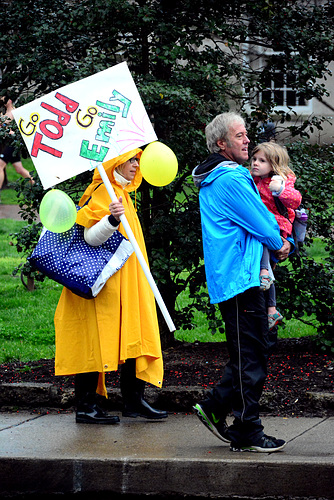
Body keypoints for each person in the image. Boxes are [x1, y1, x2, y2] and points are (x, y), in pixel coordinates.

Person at [192, 111, 292, 453]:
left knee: (252, 352)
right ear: (222, 144)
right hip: (240, 281)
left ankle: (217, 407)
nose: (247, 140)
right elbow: (262, 222)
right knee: (251, 357)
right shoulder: (231, 179)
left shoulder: (222, 176)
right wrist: (282, 242)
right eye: (239, 136)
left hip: (243, 278)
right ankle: (247, 429)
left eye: (246, 134)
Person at [54, 148, 168, 424]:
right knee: (96, 337)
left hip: (127, 282)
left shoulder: (123, 193)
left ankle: (133, 401)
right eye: (130, 159)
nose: (135, 165)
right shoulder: (102, 192)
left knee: (133, 332)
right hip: (105, 286)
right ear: (115, 163)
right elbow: (92, 237)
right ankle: (86, 407)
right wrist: (112, 219)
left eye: (137, 160)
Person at [250, 142, 302, 330]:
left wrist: (280, 189)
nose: (255, 163)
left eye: (262, 160)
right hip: (264, 223)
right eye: (254, 159)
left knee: (262, 238)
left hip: (278, 224)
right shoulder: (253, 179)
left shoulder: (282, 179)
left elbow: (296, 200)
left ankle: (264, 271)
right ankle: (272, 309)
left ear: (274, 164)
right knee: (269, 276)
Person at [0, 95, 34, 192]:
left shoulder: (15, 112)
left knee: (0, 165)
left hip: (13, 143)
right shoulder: (5, 113)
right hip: (9, 143)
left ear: (10, 100)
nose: (3, 101)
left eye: (4, 99)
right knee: (19, 169)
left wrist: (10, 132)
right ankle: (37, 187)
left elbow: (21, 130)